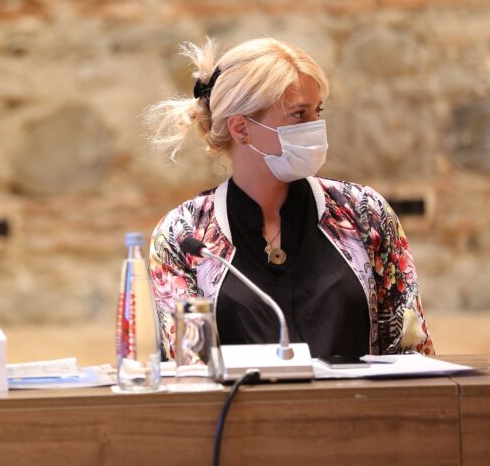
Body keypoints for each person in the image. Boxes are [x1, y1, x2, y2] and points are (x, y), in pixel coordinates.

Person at [142, 38, 433, 359]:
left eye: (318, 110)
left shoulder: (365, 213)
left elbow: (413, 353)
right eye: (299, 114)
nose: (316, 127)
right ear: (241, 129)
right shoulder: (184, 234)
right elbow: (188, 368)